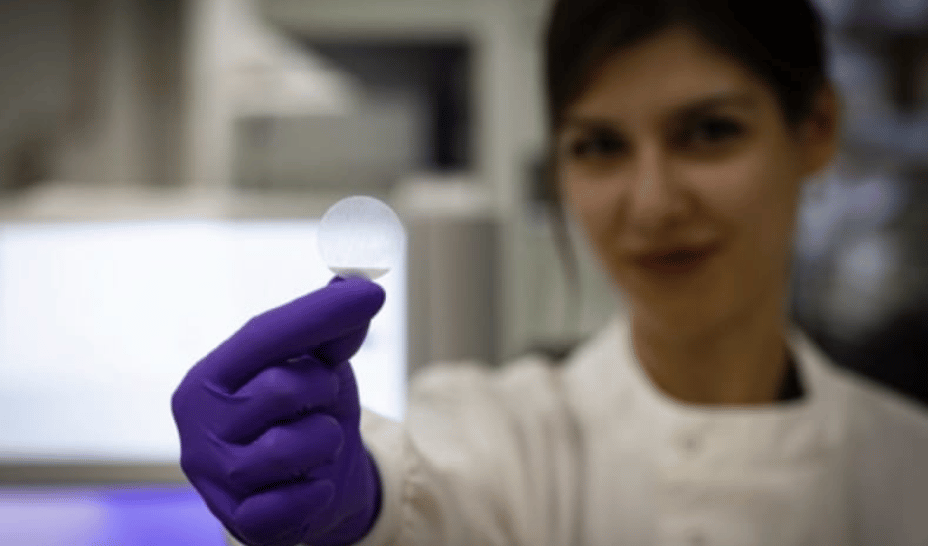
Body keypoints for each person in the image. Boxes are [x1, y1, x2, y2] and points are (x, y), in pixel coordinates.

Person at [171, 0, 928, 544]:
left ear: (816, 128)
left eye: (709, 132)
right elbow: (428, 500)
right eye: (600, 146)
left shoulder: (910, 466)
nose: (653, 202)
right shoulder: (510, 438)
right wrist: (354, 503)